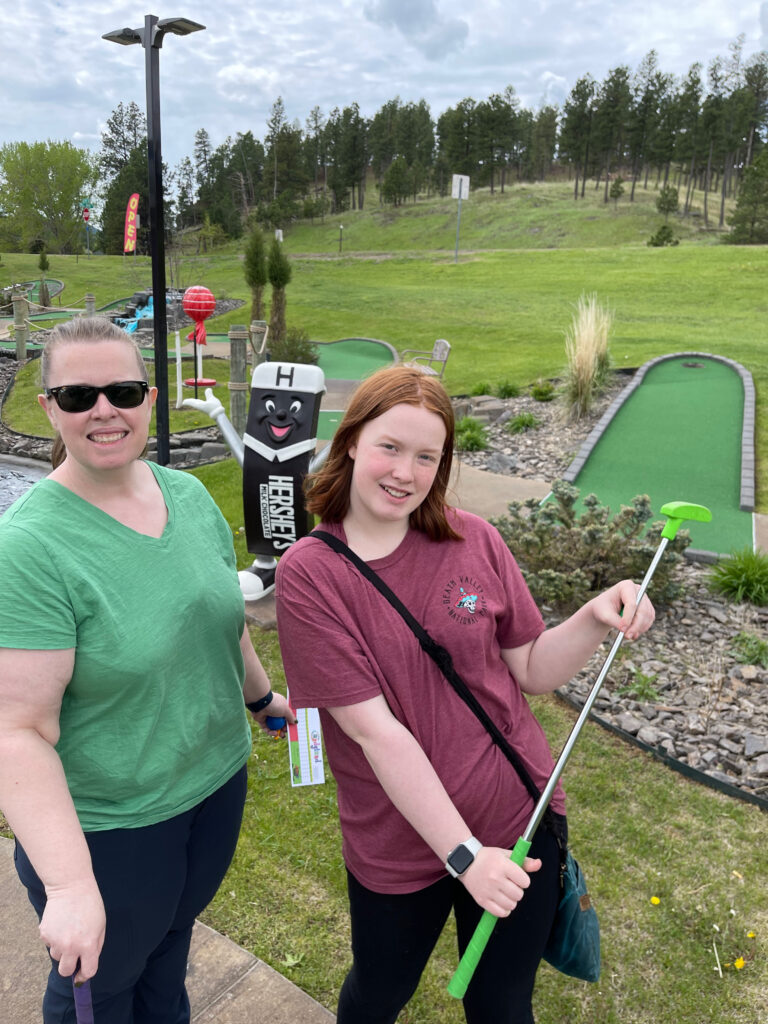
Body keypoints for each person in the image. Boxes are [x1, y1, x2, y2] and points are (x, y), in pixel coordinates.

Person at [275, 365, 655, 1024]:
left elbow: (532, 668)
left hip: (520, 823)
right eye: (390, 447)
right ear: (352, 442)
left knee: (502, 1005)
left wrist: (596, 615)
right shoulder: (310, 575)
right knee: (378, 994)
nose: (405, 472)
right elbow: (376, 733)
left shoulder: (473, 538)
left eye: (428, 456)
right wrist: (463, 855)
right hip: (399, 846)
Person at [0, 317, 295, 1023]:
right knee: (98, 991)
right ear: (49, 409)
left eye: (124, 390)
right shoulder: (29, 550)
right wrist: (70, 887)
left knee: (167, 956)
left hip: (213, 786)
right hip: (115, 830)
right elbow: (17, 732)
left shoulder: (187, 497)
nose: (105, 409)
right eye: (78, 397)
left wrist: (261, 700)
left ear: (150, 399)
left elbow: (218, 618)